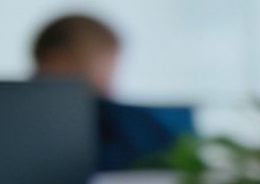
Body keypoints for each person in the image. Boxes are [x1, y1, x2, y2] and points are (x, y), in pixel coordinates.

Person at [29, 12, 192, 173]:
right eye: (104, 63)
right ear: (58, 60)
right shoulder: (96, 120)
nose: (111, 77)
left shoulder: (114, 120)